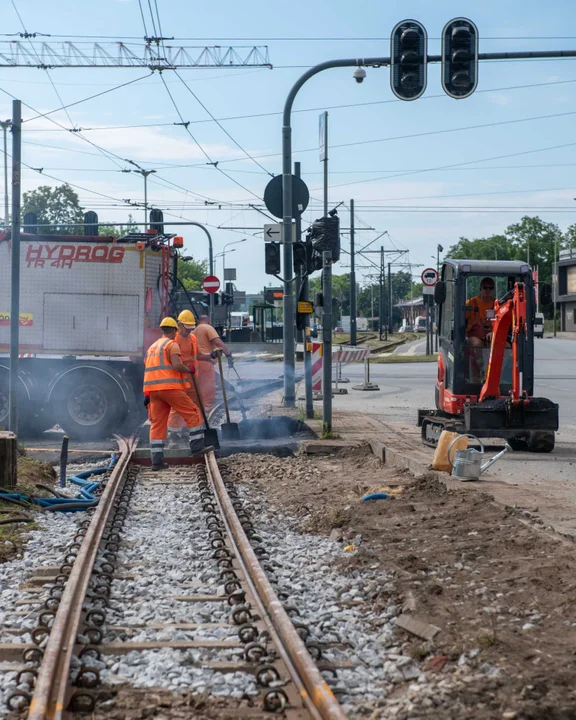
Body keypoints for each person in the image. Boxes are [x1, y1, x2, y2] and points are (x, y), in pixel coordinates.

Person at [143, 317, 205, 470]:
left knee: (157, 424)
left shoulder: (152, 347)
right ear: (174, 330)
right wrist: (189, 369)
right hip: (170, 388)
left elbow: (149, 370)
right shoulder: (172, 345)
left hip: (154, 392)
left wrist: (147, 394)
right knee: (193, 412)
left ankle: (156, 461)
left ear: (162, 330)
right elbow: (177, 366)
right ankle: (197, 448)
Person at [167, 310, 212, 438]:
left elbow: (198, 355)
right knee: (178, 406)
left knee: (196, 404)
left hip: (192, 378)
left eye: (191, 329)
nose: (189, 332)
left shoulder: (192, 338)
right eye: (186, 329)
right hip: (179, 378)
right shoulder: (174, 340)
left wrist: (211, 355)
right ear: (179, 325)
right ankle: (174, 434)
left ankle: (191, 430)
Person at [193, 315, 234, 409]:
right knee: (208, 394)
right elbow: (218, 342)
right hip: (207, 363)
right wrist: (228, 355)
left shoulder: (194, 331)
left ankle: (199, 416)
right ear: (208, 321)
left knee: (199, 393)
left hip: (197, 363)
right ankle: (205, 419)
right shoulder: (208, 328)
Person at [466, 277, 496, 347]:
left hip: (493, 337)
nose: (488, 290)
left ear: (493, 289)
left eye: (490, 288)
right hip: (474, 337)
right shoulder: (470, 303)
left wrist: (494, 333)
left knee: (506, 346)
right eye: (485, 287)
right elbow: (460, 322)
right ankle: (479, 359)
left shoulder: (497, 304)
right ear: (480, 288)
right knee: (477, 345)